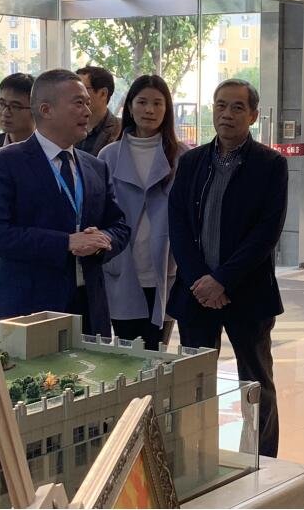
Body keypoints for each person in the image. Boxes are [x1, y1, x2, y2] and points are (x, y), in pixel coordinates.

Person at [168, 78, 288, 458]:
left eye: (238, 107)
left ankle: (261, 461)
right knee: (193, 383)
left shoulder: (271, 165)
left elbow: (266, 232)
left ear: (253, 115)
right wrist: (200, 280)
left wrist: (222, 280)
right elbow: (178, 225)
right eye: (221, 105)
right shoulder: (191, 162)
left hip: (248, 294)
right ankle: (196, 458)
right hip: (196, 295)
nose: (227, 114)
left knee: (256, 383)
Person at [0, 68, 130, 336]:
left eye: (88, 103)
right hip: (28, 308)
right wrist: (66, 242)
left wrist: (103, 239)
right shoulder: (4, 163)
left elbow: (120, 225)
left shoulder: (95, 167)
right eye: (78, 103)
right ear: (46, 110)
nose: (87, 111)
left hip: (89, 308)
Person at [98, 75, 188, 350]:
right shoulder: (108, 156)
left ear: (167, 109)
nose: (150, 110)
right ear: (130, 106)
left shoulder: (182, 156)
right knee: (126, 353)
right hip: (122, 268)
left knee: (157, 353)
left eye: (158, 103)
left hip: (165, 269)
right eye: (142, 102)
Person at [75, 65, 121, 156]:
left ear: (103, 94)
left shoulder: (120, 132)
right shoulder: (68, 127)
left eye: (82, 89)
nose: (75, 95)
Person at [0, 73, 36, 147]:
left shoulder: (49, 149)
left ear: (35, 110)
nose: (5, 113)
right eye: (2, 104)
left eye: (15, 106)